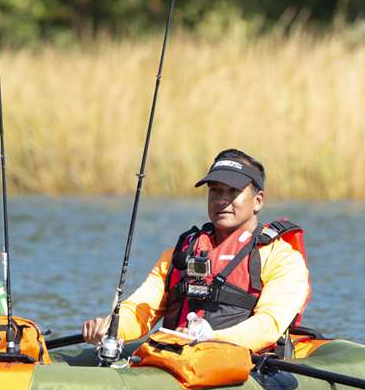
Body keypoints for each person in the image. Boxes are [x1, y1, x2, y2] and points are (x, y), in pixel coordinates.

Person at [82, 149, 310, 353]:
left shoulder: (282, 258)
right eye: (215, 191)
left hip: (241, 366)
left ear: (258, 201)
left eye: (233, 192)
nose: (222, 200)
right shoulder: (180, 253)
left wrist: (210, 338)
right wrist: (111, 328)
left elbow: (268, 325)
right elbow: (141, 309)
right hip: (177, 359)